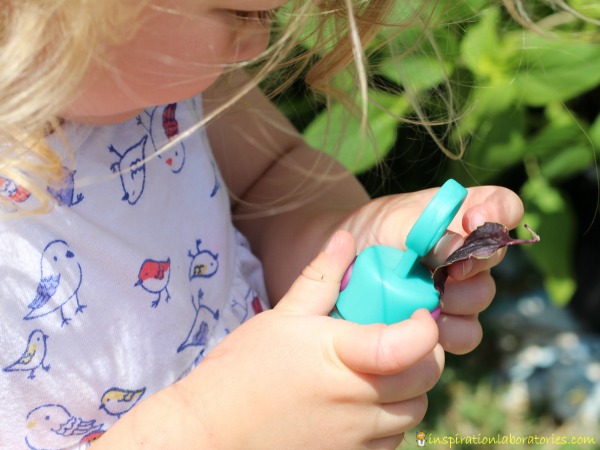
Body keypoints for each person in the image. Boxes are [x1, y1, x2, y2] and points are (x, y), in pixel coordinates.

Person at [0, 1, 524, 449]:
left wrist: (357, 241)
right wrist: (215, 430)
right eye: (240, 13)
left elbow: (269, 180)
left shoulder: (163, 84)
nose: (256, 42)